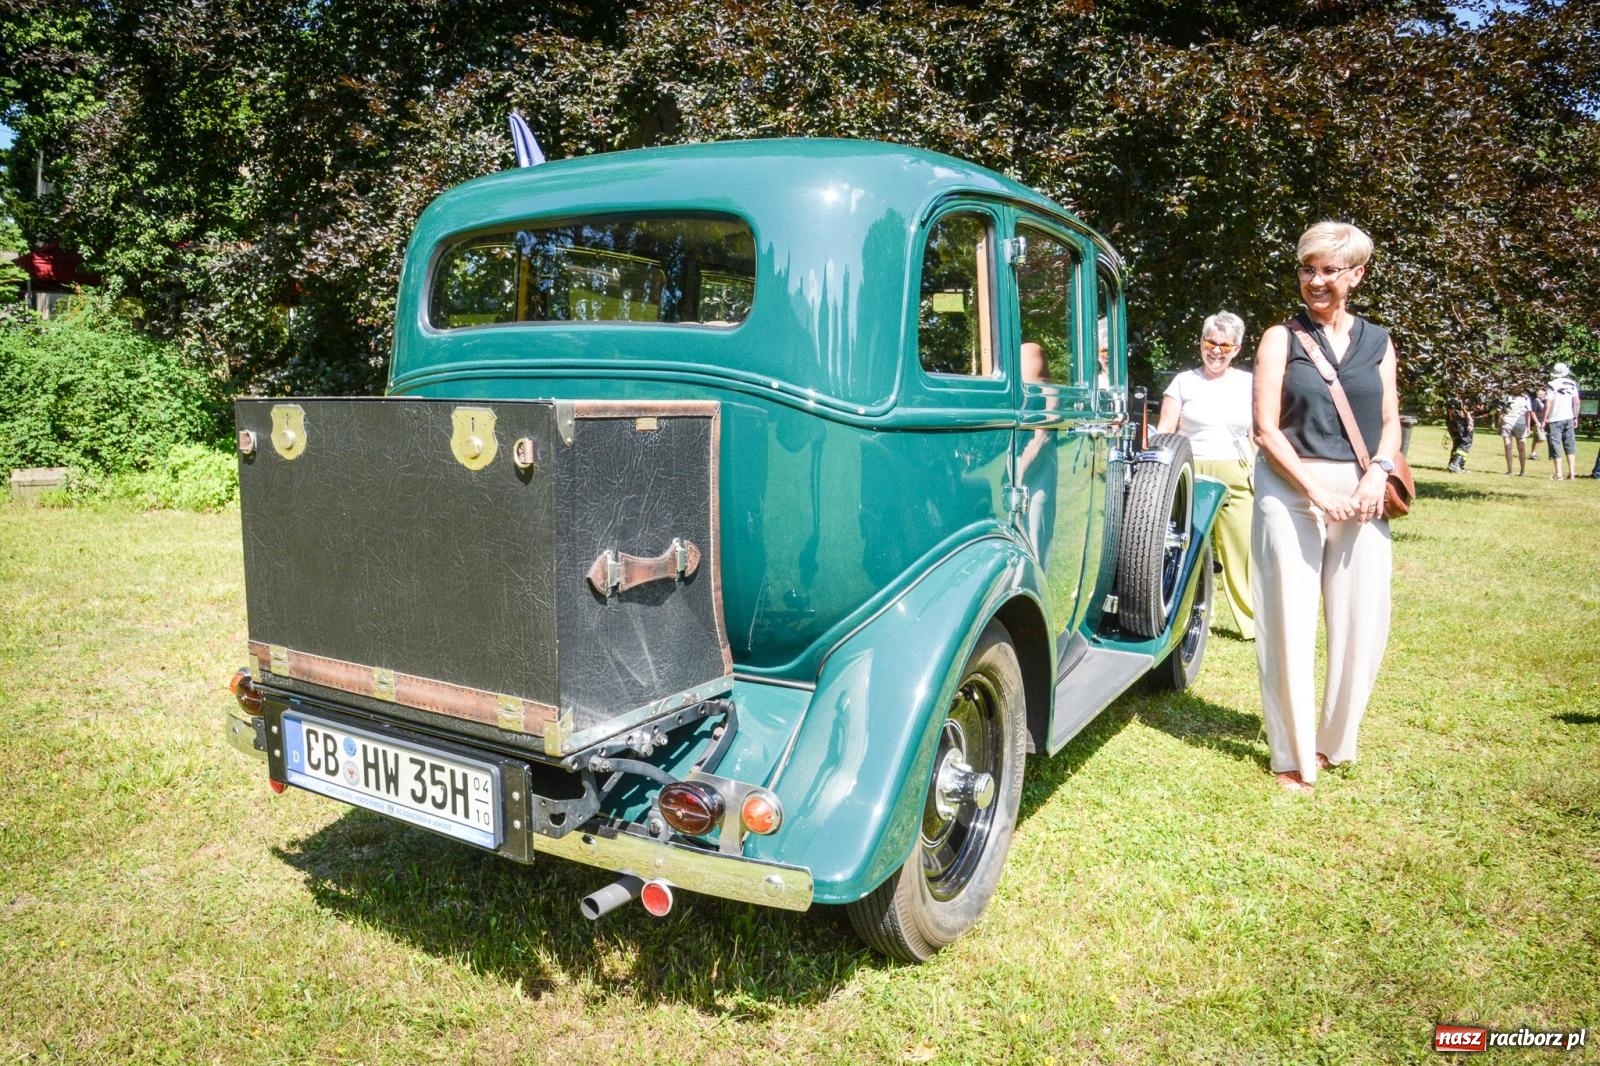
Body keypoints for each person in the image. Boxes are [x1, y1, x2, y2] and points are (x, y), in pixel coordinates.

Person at [1251, 221, 1400, 795]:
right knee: (1288, 620)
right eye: (1307, 269)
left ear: (1356, 275)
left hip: (1362, 493)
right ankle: (1291, 754)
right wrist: (1317, 491)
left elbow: (1389, 421)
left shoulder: (1379, 342)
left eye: (1328, 270)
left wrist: (1377, 474)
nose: (1315, 281)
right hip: (1291, 489)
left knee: (1363, 619)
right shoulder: (1279, 338)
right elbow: (1266, 427)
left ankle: (1334, 740)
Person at [1156, 311, 1255, 640]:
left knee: (1243, 549)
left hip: (1237, 472)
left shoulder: (1249, 383)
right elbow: (1166, 428)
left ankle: (1252, 623)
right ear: (1201, 342)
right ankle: (1183, 616)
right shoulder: (1183, 381)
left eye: (1224, 345)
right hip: (1192, 471)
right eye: (1210, 342)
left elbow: (1258, 433)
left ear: (1237, 349)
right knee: (1187, 547)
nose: (1216, 350)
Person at [1542, 363, 1581, 481]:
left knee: (1556, 445)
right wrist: (1575, 417)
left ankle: (1558, 473)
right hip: (1569, 417)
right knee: (1570, 445)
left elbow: (1548, 404)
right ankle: (1572, 473)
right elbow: (1577, 402)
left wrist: (1544, 419)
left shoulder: (1551, 384)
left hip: (1555, 418)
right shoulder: (1572, 383)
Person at [1500, 393, 1531, 476]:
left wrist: (1528, 426)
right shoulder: (1506, 396)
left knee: (1521, 448)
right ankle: (1510, 471)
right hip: (1507, 422)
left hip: (1520, 423)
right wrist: (1500, 422)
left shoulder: (1525, 397)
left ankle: (1522, 471)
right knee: (1508, 447)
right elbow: (1501, 411)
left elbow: (1528, 413)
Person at [1445, 394, 1474, 473]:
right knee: (1466, 443)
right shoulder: (1467, 397)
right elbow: (1467, 412)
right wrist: (1470, 423)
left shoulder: (1450, 396)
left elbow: (1450, 410)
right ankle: (1455, 465)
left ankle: (1455, 465)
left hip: (1452, 422)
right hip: (1461, 422)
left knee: (1457, 444)